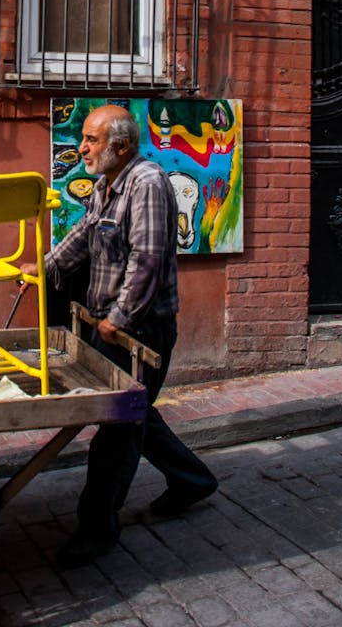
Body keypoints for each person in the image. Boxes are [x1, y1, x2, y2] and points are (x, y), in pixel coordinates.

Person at [21, 104, 217, 568]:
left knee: (116, 432)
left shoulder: (147, 185)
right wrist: (44, 267)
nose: (82, 147)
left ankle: (97, 529)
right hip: (110, 322)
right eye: (84, 139)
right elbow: (86, 236)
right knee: (134, 414)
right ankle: (192, 480)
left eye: (91, 140)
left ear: (122, 146)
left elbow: (147, 261)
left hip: (140, 331)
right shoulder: (108, 184)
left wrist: (121, 318)